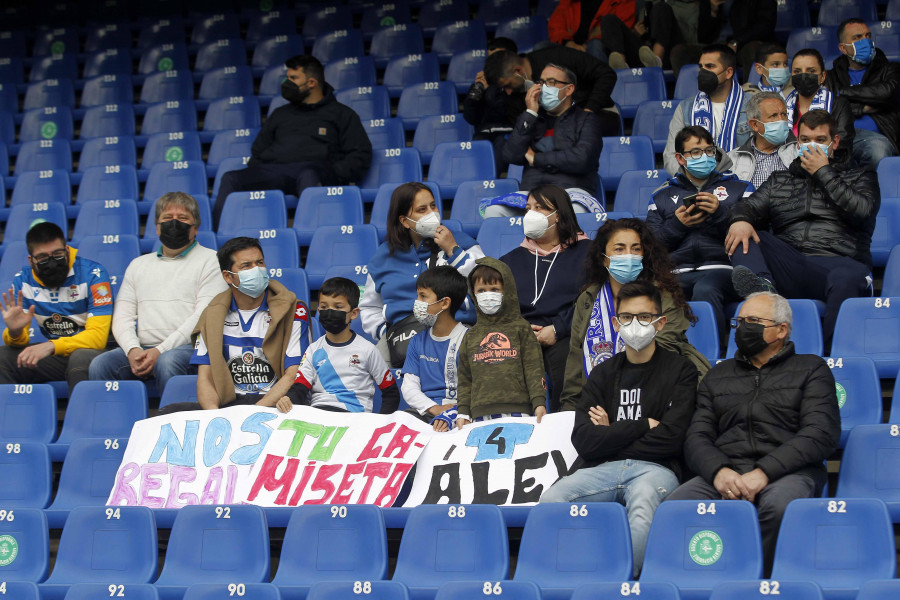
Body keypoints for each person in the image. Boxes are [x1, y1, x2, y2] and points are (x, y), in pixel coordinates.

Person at [667, 292, 840, 574]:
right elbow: (696, 436)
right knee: (675, 507)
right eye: (740, 322)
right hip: (727, 472)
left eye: (754, 321)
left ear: (781, 330)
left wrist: (763, 472)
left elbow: (820, 433)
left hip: (789, 472)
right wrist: (719, 472)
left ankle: (760, 581)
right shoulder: (717, 375)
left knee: (779, 506)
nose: (743, 328)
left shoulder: (811, 369)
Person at [541, 280, 698, 577]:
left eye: (644, 317)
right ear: (615, 322)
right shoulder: (603, 373)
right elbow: (585, 440)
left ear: (661, 323)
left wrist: (610, 432)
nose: (634, 324)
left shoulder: (681, 370)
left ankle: (622, 584)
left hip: (657, 469)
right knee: (552, 499)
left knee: (641, 506)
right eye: (626, 317)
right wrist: (640, 425)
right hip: (604, 467)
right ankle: (576, 577)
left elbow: (673, 439)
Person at [725, 110, 880, 350]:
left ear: (834, 142)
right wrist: (740, 220)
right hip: (791, 264)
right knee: (750, 234)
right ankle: (764, 289)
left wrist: (823, 172)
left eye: (820, 140)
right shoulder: (779, 180)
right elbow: (746, 206)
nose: (811, 146)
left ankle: (831, 356)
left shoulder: (860, 176)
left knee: (845, 278)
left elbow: (863, 210)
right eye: (805, 140)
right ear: (797, 143)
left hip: (839, 261)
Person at [561, 218, 709, 411]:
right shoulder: (588, 298)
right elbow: (576, 357)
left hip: (652, 394)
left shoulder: (663, 294)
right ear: (604, 257)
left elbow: (664, 350)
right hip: (595, 402)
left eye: (636, 249)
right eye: (619, 249)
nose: (628, 256)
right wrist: (569, 407)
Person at [89, 192, 227, 392]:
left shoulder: (212, 260)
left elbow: (202, 317)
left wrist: (160, 351)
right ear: (157, 227)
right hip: (144, 348)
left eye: (183, 218)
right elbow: (123, 317)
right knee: (101, 365)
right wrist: (132, 349)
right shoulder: (138, 265)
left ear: (195, 228)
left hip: (192, 347)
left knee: (167, 362)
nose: (174, 223)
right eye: (167, 218)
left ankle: (169, 420)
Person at [212, 55, 372, 225]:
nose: (286, 84)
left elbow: (360, 154)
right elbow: (258, 150)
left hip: (314, 172)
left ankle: (313, 237)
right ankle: (218, 241)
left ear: (312, 82)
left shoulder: (341, 114)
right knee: (230, 178)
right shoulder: (280, 114)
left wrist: (335, 172)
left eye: (293, 78)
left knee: (309, 175)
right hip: (275, 171)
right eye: (287, 78)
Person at [159, 237, 310, 413]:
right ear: (228, 276)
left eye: (260, 263)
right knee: (167, 413)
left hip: (276, 404)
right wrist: (214, 415)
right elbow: (205, 378)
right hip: (230, 404)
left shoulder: (293, 310)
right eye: (246, 266)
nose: (257, 270)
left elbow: (292, 374)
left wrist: (251, 413)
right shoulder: (212, 314)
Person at [361, 182, 483, 368]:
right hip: (401, 335)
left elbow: (484, 283)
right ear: (404, 221)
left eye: (433, 206)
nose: (431, 214)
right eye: (421, 209)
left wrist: (453, 250)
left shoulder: (461, 242)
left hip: (456, 328)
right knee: (374, 375)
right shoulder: (383, 257)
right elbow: (369, 307)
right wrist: (384, 331)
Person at [648, 126, 748, 354]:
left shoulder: (738, 188)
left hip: (723, 268)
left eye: (708, 150)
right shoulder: (661, 196)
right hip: (676, 272)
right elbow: (651, 246)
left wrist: (720, 213)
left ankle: (712, 353)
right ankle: (665, 355)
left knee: (706, 288)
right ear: (680, 159)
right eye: (695, 152)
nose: (703, 157)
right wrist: (677, 225)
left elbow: (755, 232)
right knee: (654, 290)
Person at [500, 185, 591, 411]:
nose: (531, 214)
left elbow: (591, 299)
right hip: (520, 335)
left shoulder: (588, 253)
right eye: (528, 208)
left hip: (566, 333)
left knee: (568, 361)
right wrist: (520, 330)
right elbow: (502, 307)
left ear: (558, 214)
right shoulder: (509, 261)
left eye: (539, 207)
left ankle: (564, 431)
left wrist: (558, 329)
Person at [0, 222, 111, 394]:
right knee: (2, 357)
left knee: (79, 357)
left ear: (67, 250)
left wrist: (50, 346)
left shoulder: (94, 274)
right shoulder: (23, 281)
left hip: (96, 354)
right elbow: (19, 340)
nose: (52, 262)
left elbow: (98, 338)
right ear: (32, 260)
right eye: (43, 258)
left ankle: (81, 418)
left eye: (58, 254)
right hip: (57, 356)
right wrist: (14, 332)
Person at [284, 277, 400, 414]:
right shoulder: (313, 349)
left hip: (355, 420)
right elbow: (299, 388)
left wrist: (379, 424)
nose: (330, 311)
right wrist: (287, 399)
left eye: (338, 307)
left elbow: (391, 393)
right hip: (318, 416)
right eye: (324, 307)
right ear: (318, 311)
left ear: (354, 313)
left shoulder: (368, 350)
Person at [456, 258, 547, 427]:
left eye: (494, 289)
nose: (487, 294)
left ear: (508, 291)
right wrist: (463, 410)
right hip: (479, 414)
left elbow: (533, 368)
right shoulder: (471, 335)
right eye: (481, 290)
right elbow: (464, 378)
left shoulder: (521, 328)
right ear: (473, 294)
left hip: (519, 411)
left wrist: (539, 402)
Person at [502, 63, 604, 197]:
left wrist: (536, 159)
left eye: (551, 82)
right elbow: (511, 155)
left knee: (574, 210)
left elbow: (582, 159)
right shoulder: (532, 119)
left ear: (569, 89)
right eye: (541, 82)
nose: (544, 88)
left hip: (570, 194)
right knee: (494, 212)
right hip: (531, 195)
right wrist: (530, 113)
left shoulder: (586, 119)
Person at [485, 46, 620, 136]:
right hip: (555, 136)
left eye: (508, 85)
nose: (507, 92)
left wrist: (589, 111)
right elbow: (524, 133)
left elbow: (606, 74)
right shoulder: (512, 97)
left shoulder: (558, 57)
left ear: (518, 71)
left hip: (598, 114)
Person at [663, 43, 752, 176]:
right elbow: (671, 156)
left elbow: (759, 154)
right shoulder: (685, 108)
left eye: (710, 66)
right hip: (696, 186)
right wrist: (696, 181)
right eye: (700, 67)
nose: (702, 72)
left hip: (741, 183)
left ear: (728, 72)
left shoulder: (753, 105)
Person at [400, 266, 470, 431]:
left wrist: (452, 413)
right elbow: (409, 387)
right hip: (426, 412)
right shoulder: (417, 341)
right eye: (417, 296)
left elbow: (479, 389)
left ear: (445, 303)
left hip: (463, 413)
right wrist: (435, 409)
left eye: (423, 296)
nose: (417, 303)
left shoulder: (471, 339)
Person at [825, 18, 899, 171]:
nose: (865, 41)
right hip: (841, 137)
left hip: (881, 138)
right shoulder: (831, 77)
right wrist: (863, 108)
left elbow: (888, 93)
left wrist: (843, 93)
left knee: (878, 149)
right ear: (843, 48)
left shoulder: (889, 69)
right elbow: (830, 107)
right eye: (857, 37)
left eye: (868, 35)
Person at [463, 37, 520, 174]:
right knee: (480, 145)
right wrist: (478, 90)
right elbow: (471, 118)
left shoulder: (521, 82)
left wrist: (496, 88)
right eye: (490, 58)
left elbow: (509, 114)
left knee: (501, 141)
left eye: (498, 57)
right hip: (486, 135)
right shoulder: (485, 82)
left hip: (511, 133)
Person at [786, 48, 855, 152]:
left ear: (822, 76)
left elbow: (843, 142)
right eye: (797, 71)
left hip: (829, 164)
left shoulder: (839, 104)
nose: (804, 76)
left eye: (811, 71)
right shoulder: (782, 105)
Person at [727, 91, 797, 190]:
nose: (781, 120)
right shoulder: (732, 159)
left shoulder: (800, 152)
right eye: (773, 115)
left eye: (784, 114)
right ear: (754, 125)